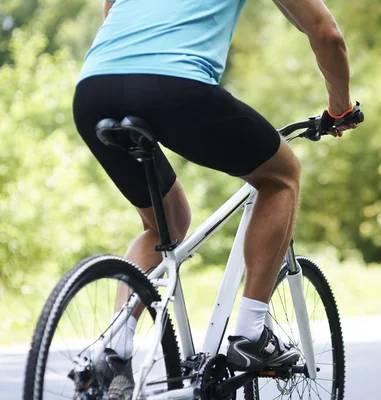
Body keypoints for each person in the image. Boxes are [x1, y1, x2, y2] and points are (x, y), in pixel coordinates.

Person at [73, 0, 357, 373]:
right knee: (281, 177)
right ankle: (251, 335)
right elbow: (326, 33)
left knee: (166, 225)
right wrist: (340, 110)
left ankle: (115, 346)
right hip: (174, 85)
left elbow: (112, 7)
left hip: (94, 89)